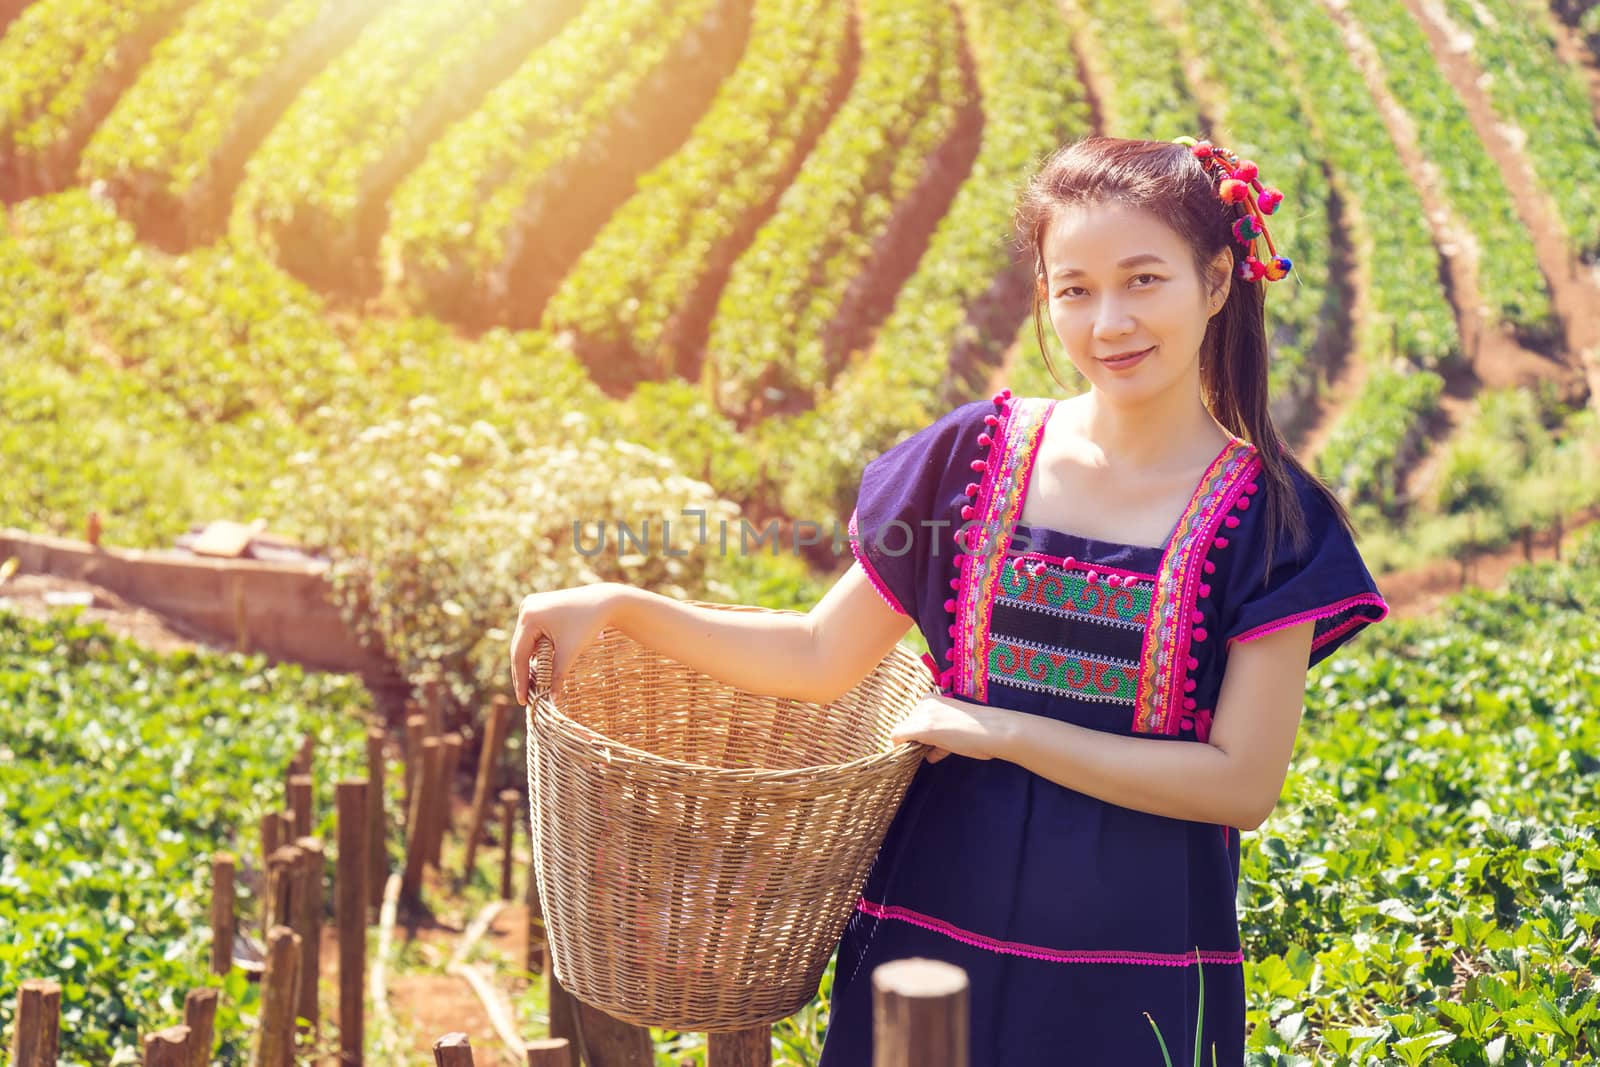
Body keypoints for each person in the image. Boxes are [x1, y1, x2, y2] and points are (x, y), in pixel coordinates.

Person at [508, 134, 1389, 1065]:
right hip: (931, 924)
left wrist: (1006, 731)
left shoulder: (1271, 518)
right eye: (1075, 289)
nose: (1110, 322)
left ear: (1216, 282)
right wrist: (620, 606)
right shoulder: (973, 460)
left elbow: (1241, 784)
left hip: (1132, 963)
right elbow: (817, 655)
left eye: (1143, 280)